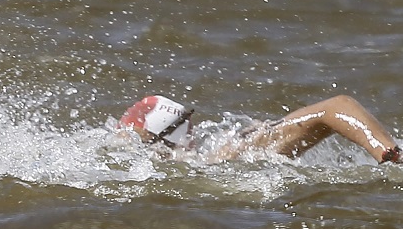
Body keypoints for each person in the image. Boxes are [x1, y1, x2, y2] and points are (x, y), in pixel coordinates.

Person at [118, 93, 402, 164]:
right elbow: (337, 106)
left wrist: (392, 158)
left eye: (129, 135)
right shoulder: (224, 155)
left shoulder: (229, 156)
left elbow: (336, 106)